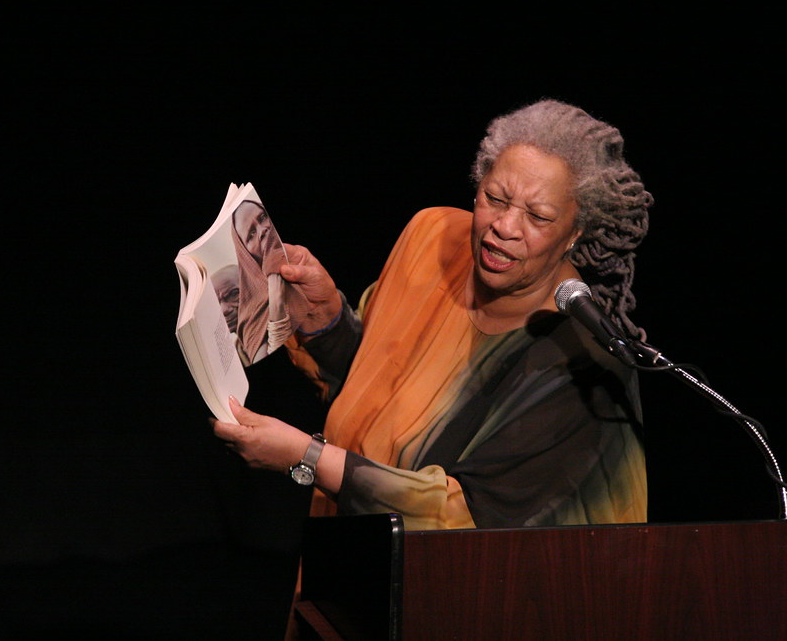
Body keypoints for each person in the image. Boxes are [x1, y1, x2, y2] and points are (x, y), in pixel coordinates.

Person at [212, 98, 653, 535]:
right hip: (345, 552)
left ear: (575, 233)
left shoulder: (581, 358)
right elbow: (376, 399)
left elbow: (467, 516)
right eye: (495, 198)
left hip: (457, 588)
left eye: (538, 216)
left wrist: (305, 458)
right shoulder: (433, 237)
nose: (505, 226)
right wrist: (322, 319)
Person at [230, 199, 305, 365]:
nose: (263, 230)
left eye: (263, 217)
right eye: (251, 234)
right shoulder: (251, 315)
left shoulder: (300, 256)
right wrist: (276, 306)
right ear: (246, 255)